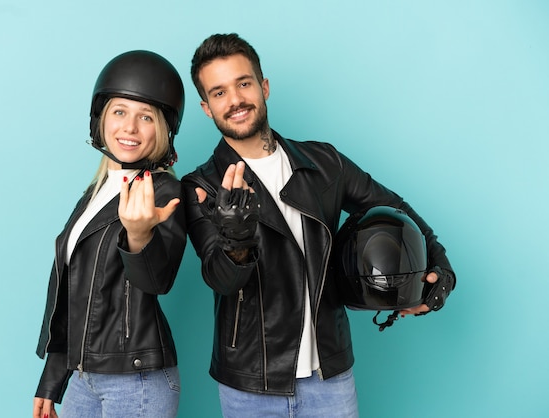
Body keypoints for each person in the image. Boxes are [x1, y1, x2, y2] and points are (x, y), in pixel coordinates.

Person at [181, 33, 456, 418]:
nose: (235, 100)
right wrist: (236, 237)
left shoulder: (324, 162)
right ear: (207, 108)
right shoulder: (201, 185)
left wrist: (440, 268)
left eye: (243, 84)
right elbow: (221, 278)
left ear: (263, 87)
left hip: (330, 376)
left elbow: (396, 210)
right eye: (219, 92)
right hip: (250, 383)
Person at [33, 50, 187, 418]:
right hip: (85, 378)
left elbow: (157, 280)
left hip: (137, 381)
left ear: (162, 130)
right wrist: (52, 378)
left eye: (145, 117)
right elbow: (73, 289)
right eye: (120, 112)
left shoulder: (164, 192)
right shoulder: (97, 190)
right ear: (101, 119)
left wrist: (138, 236)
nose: (129, 128)